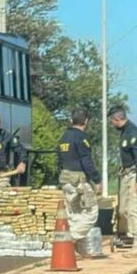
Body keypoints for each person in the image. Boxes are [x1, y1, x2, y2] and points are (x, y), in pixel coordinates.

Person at [57, 108, 102, 258]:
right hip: (79, 182)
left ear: (71, 120)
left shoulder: (63, 137)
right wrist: (96, 179)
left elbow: (59, 160)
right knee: (91, 212)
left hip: (65, 180)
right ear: (86, 121)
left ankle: (78, 251)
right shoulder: (81, 138)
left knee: (74, 213)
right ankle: (71, 240)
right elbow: (86, 161)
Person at [108, 105, 137, 258]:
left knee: (135, 210)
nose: (112, 124)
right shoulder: (124, 132)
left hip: (134, 175)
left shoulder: (133, 133)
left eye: (112, 121)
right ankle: (131, 237)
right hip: (126, 174)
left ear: (117, 119)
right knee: (123, 210)